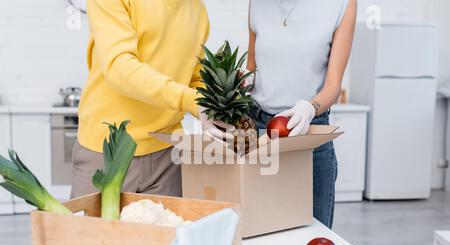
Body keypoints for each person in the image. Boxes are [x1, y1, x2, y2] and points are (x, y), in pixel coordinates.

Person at [71, 0, 224, 198]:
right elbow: (120, 66)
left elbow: (194, 76)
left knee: (166, 229)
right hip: (107, 150)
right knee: (91, 230)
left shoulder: (197, 9)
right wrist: (191, 101)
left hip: (167, 154)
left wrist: (213, 102)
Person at [246, 0, 357, 228]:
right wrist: (239, 83)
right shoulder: (257, 3)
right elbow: (251, 70)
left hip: (309, 133)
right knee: (258, 233)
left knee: (314, 234)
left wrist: (310, 107)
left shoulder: (342, 5)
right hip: (258, 133)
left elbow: (333, 87)